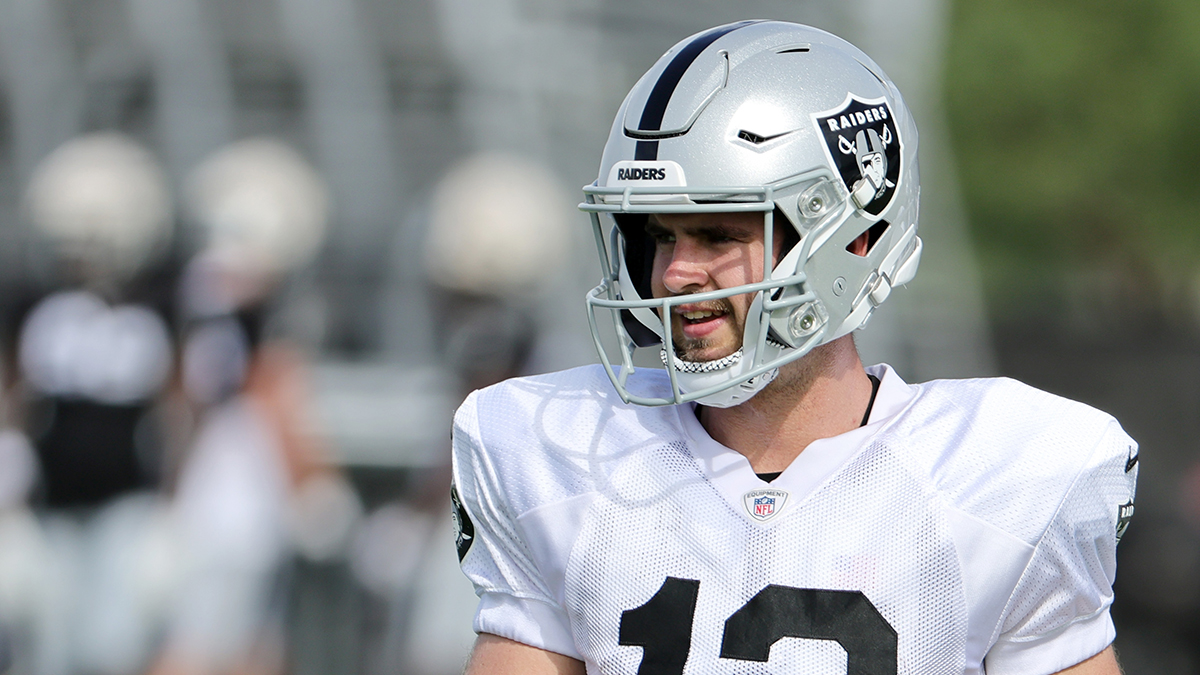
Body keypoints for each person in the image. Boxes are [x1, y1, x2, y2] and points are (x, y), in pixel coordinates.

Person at [450, 20, 1137, 675]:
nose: (675, 273)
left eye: (717, 235)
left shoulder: (998, 480)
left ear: (855, 239)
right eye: (660, 236)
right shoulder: (564, 454)